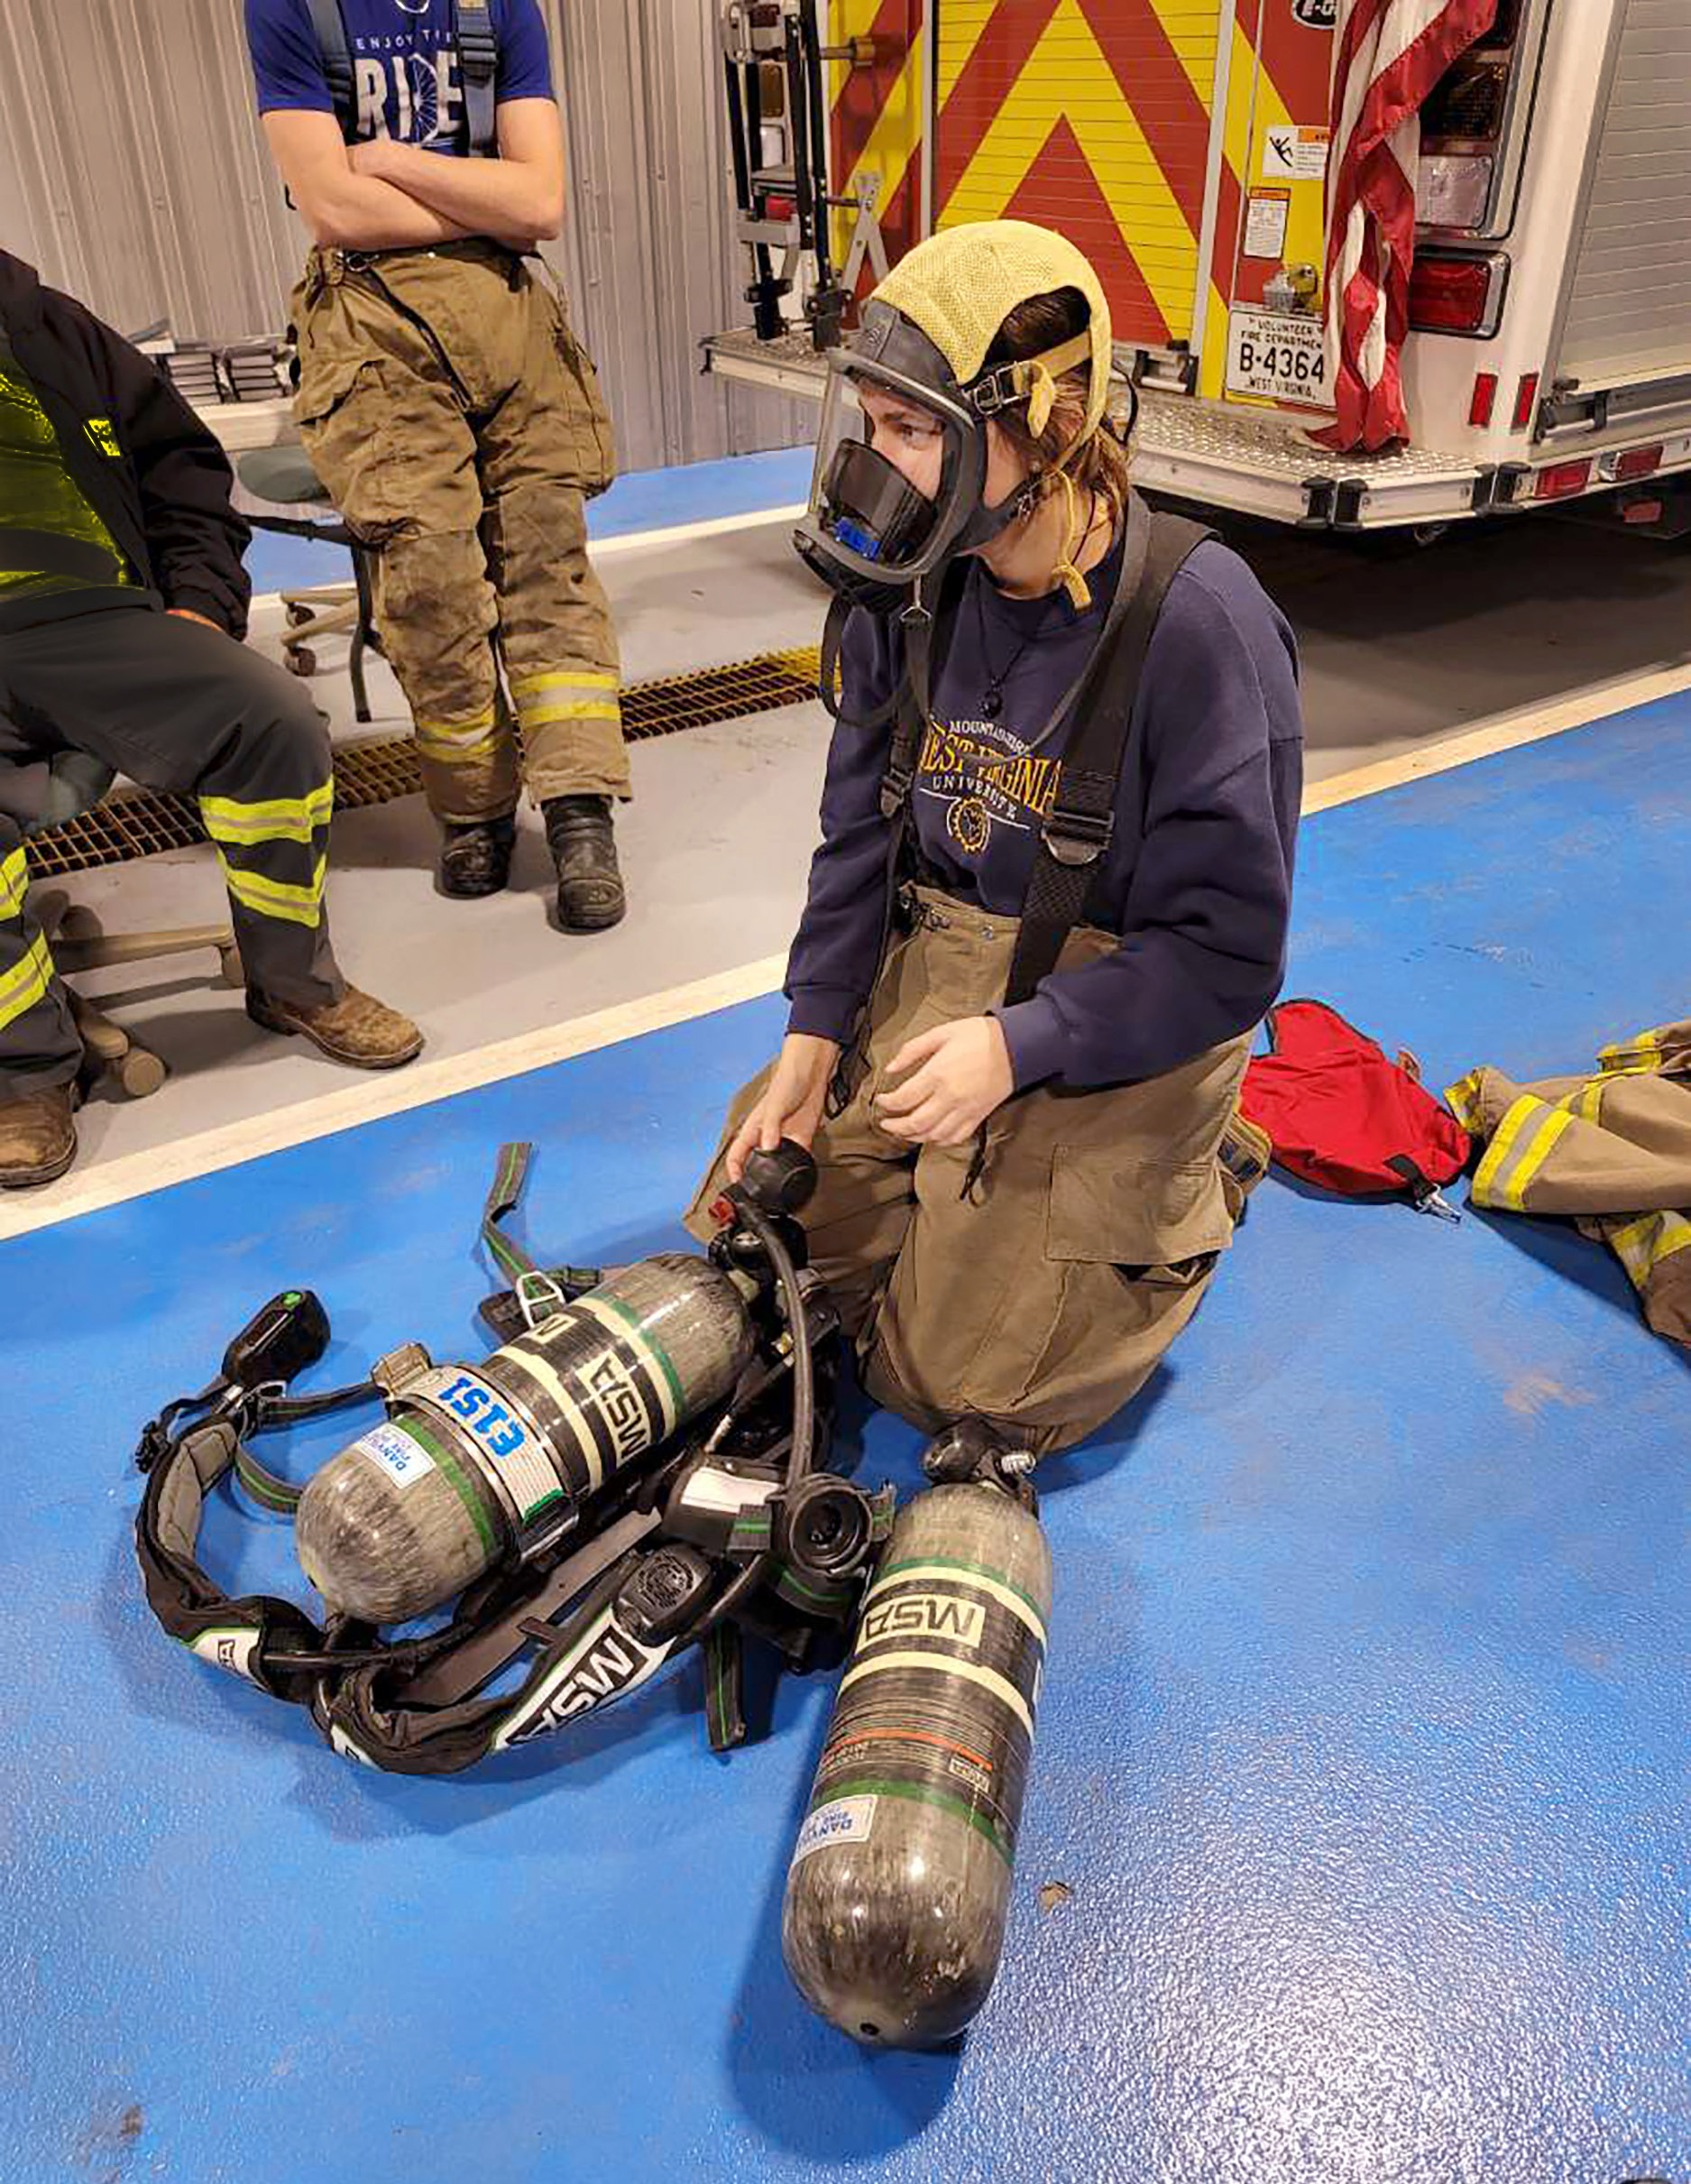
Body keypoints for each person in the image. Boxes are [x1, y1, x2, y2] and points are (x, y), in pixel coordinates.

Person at [685, 221, 1302, 1486]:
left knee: (955, 1388)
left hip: (1109, 1009)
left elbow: (1228, 954)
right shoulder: (904, 588)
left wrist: (1022, 1045)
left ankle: (1198, 1175)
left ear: (1050, 419)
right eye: (870, 425)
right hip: (940, 969)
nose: (881, 471)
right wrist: (810, 1033)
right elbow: (858, 836)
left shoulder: (1200, 627)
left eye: (914, 432)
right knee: (752, 1264)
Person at [0, 245, 421, 1191]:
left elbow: (180, 468)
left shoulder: (47, 327)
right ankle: (23, 1068)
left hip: (93, 619)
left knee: (272, 719)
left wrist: (197, 604)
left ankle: (292, 982)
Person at [244, 0, 630, 931]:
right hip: (374, 332)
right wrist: (474, 193)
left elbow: (541, 205)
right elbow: (333, 209)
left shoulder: (500, 8)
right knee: (430, 586)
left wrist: (390, 161)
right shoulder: (288, 10)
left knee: (550, 566)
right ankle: (474, 808)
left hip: (511, 317)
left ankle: (580, 808)